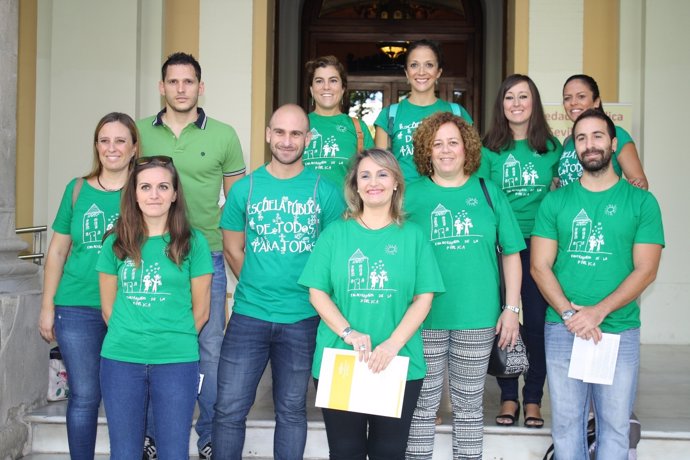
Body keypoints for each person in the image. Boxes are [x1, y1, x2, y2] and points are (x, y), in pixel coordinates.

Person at [213, 104, 345, 459]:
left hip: (303, 319)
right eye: (281, 133)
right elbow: (232, 248)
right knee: (227, 410)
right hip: (249, 316)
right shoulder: (245, 189)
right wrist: (260, 284)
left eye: (296, 134)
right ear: (269, 134)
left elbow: (332, 257)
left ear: (308, 138)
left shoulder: (326, 191)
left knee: (291, 411)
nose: (287, 141)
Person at [531, 109, 664, 459]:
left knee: (615, 427)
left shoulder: (641, 202)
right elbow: (539, 266)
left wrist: (597, 312)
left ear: (614, 143)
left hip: (617, 329)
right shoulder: (556, 201)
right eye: (581, 138)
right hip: (563, 328)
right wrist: (569, 312)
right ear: (574, 148)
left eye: (598, 136)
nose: (590, 145)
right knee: (566, 425)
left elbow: (646, 270)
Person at [298, 148, 445, 460]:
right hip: (342, 359)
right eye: (365, 175)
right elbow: (317, 292)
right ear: (355, 185)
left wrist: (392, 344)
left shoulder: (414, 236)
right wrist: (349, 332)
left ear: (396, 183)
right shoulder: (335, 234)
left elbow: (424, 298)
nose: (373, 182)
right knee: (345, 451)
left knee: (389, 452)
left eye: (382, 174)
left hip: (397, 361)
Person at [136, 51, 246, 460]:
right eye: (173, 81)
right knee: (153, 344)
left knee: (209, 349)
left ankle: (208, 436)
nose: (181, 89)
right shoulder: (140, 133)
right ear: (161, 86)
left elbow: (236, 205)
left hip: (209, 256)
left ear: (200, 87)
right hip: (148, 257)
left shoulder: (224, 135)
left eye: (188, 82)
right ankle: (152, 436)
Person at [405, 112, 525, 459]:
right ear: (426, 151)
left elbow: (512, 254)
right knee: (422, 408)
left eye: (452, 142)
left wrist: (512, 309)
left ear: (466, 148)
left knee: (469, 408)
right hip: (421, 318)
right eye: (437, 144)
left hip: (477, 317)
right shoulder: (409, 197)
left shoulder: (489, 192)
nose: (445, 150)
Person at [96, 155, 213, 460]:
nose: (154, 195)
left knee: (174, 452)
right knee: (124, 452)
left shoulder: (194, 243)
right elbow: (108, 310)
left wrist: (173, 340)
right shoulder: (115, 243)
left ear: (175, 194)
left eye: (163, 187)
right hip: (121, 359)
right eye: (145, 187)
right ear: (133, 194)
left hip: (176, 360)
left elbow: (202, 312)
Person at [38, 112, 139, 460]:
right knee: (83, 395)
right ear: (96, 146)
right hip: (76, 306)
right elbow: (57, 251)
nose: (112, 148)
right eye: (104, 140)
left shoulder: (144, 191)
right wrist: (47, 306)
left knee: (125, 394)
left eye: (120, 140)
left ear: (134, 147)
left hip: (130, 307)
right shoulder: (77, 189)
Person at [478, 74, 562, 428]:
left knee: (537, 325)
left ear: (534, 103)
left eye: (523, 97)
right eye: (509, 97)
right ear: (501, 105)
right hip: (502, 248)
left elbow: (562, 193)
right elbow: (482, 200)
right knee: (504, 323)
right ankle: (508, 396)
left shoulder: (552, 148)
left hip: (541, 247)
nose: (516, 103)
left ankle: (533, 398)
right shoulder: (488, 150)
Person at [374, 39, 473, 184]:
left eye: (429, 65)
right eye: (414, 65)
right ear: (407, 72)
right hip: (403, 201)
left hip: (446, 198)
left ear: (438, 72)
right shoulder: (389, 115)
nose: (421, 72)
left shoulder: (457, 112)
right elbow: (380, 169)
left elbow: (471, 162)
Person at [559, 74, 648, 189]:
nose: (573, 102)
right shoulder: (568, 142)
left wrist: (637, 185)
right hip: (568, 206)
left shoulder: (617, 134)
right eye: (567, 98)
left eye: (581, 96)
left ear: (596, 101)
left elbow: (640, 183)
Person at [303, 55, 374, 187]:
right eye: (319, 81)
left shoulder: (358, 128)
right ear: (312, 90)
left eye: (333, 81)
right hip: (304, 206)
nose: (326, 87)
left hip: (347, 207)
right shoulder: (299, 125)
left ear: (343, 89)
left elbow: (372, 176)